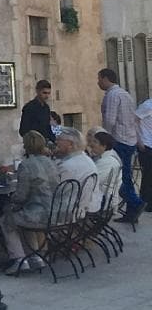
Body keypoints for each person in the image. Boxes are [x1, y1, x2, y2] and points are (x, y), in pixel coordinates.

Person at [1, 130, 59, 274]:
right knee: (23, 215)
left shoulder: (26, 165)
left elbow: (21, 196)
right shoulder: (51, 162)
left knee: (6, 219)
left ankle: (18, 258)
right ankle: (35, 256)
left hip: (39, 213)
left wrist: (11, 199)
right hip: (55, 211)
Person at [98, 67, 145, 219]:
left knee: (117, 176)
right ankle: (132, 210)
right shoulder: (125, 94)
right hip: (129, 140)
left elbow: (110, 120)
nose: (98, 82)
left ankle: (135, 202)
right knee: (125, 175)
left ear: (105, 79)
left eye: (99, 79)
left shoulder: (112, 95)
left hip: (119, 140)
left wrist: (103, 139)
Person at [55, 126, 100, 215]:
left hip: (71, 211)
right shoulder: (85, 158)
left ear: (70, 144)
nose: (56, 142)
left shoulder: (68, 166)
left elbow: (56, 191)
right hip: (88, 205)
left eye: (59, 140)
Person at [86, 128, 123, 211]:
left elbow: (93, 181)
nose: (91, 144)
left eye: (95, 142)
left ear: (104, 146)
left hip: (103, 200)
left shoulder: (108, 161)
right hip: (102, 196)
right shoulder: (102, 157)